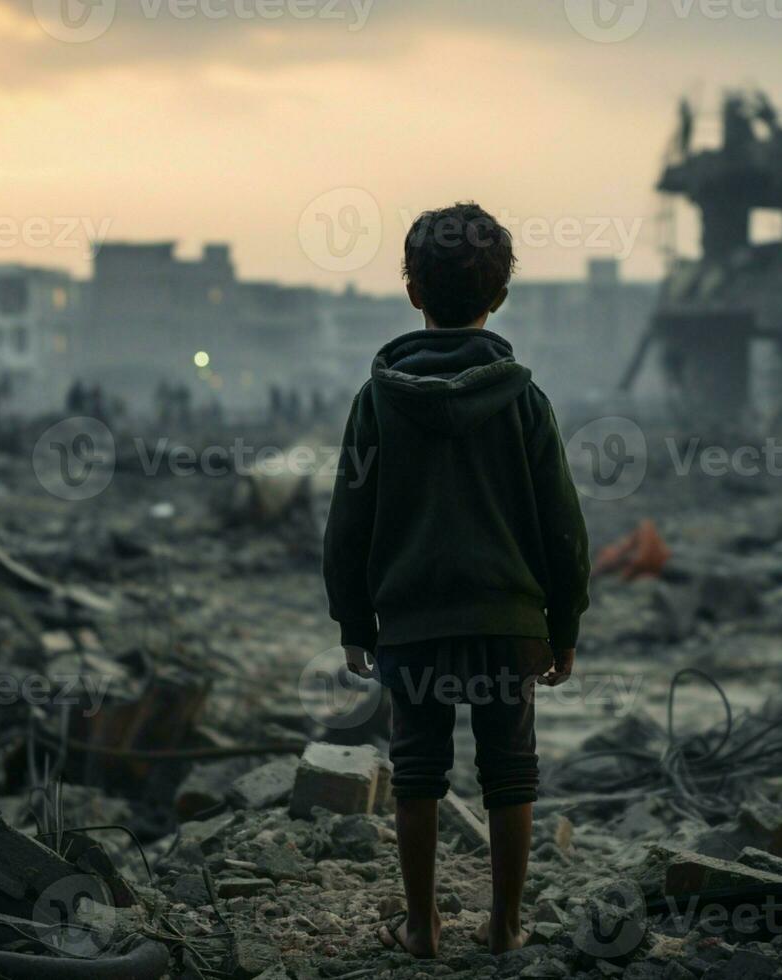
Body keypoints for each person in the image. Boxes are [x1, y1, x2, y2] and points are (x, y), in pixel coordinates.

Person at [322, 202, 590, 960]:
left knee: (417, 769)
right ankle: (504, 927)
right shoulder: (526, 402)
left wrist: (352, 620)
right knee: (511, 771)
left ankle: (422, 927)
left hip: (411, 625)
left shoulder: (377, 401)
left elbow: (350, 515)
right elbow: (561, 524)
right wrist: (563, 623)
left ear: (413, 292)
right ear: (499, 295)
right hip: (509, 627)